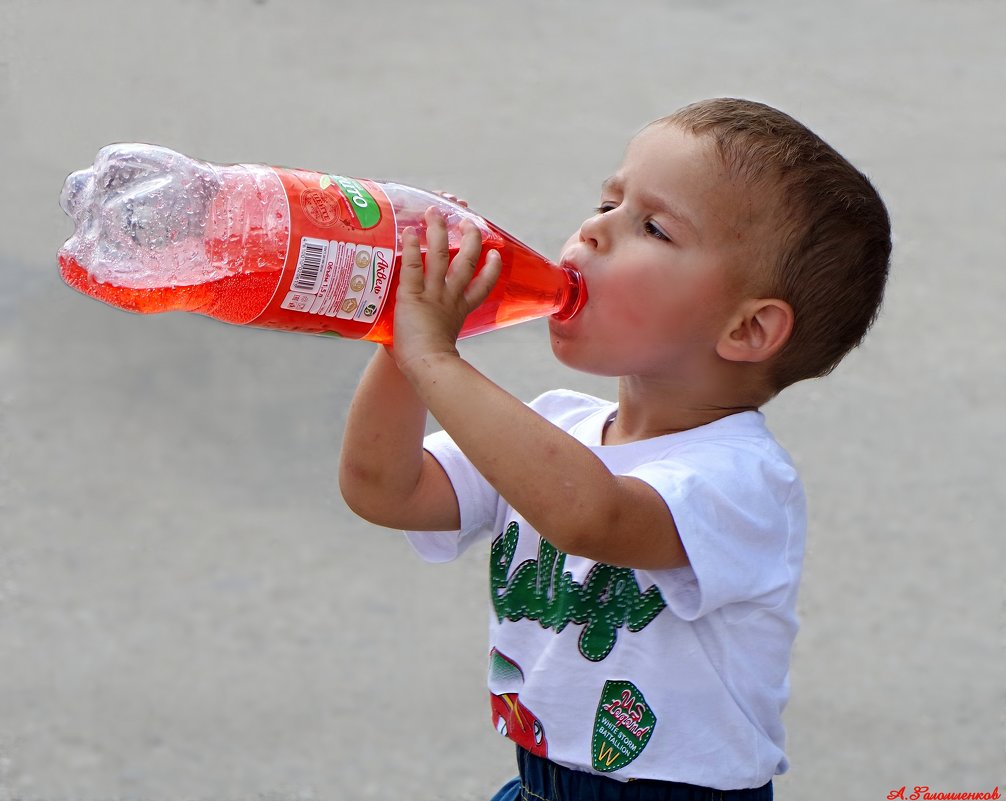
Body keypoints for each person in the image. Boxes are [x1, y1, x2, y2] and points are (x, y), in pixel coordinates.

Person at [338, 98, 891, 800]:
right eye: (606, 201)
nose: (594, 231)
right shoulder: (555, 429)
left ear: (748, 330)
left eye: (652, 227)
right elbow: (382, 486)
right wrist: (399, 333)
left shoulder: (741, 478)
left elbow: (591, 516)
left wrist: (435, 357)